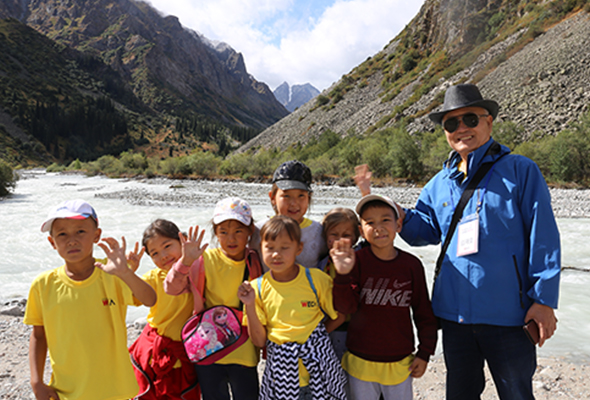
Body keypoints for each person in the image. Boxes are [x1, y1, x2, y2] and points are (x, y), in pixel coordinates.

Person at [355, 83, 561, 400]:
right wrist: (388, 208)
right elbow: (423, 230)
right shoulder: (439, 184)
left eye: (470, 119)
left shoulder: (521, 171)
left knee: (517, 394)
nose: (461, 128)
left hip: (510, 315)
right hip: (455, 317)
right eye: (451, 123)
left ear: (489, 121)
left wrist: (544, 300)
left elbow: (543, 236)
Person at [24, 199, 157, 400]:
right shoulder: (43, 284)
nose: (72, 240)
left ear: (97, 236)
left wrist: (126, 273)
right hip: (65, 391)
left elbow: (150, 299)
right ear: (52, 242)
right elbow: (38, 336)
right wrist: (36, 382)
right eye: (62, 234)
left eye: (80, 231)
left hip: (115, 390)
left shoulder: (113, 272)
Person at [331, 195, 437, 400]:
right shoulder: (356, 260)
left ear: (398, 224)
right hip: (360, 359)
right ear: (361, 231)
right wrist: (342, 274)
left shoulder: (411, 265)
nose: (378, 227)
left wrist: (424, 353)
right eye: (370, 222)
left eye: (385, 220)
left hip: (400, 362)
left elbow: (423, 312)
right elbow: (346, 307)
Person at [238, 216, 347, 400]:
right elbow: (258, 341)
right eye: (270, 248)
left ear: (299, 248)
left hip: (320, 371)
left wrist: (316, 339)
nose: (276, 254)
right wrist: (248, 304)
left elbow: (339, 315)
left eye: (284, 248)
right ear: (260, 248)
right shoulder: (256, 288)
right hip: (281, 375)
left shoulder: (316, 279)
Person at [165, 197, 262, 400]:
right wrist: (185, 261)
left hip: (244, 352)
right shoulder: (204, 260)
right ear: (216, 233)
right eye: (223, 232)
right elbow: (171, 288)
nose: (231, 239)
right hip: (208, 351)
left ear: (250, 231)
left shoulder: (255, 261)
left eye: (238, 231)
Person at [127, 219, 200, 400]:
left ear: (182, 240)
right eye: (155, 253)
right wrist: (129, 273)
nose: (163, 256)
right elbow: (129, 297)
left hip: (185, 352)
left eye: (167, 246)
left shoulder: (198, 269)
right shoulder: (153, 278)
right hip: (155, 349)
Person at [251, 160, 327, 269]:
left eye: (301, 196)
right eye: (286, 196)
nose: (294, 203)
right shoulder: (258, 231)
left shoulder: (318, 233)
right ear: (272, 197)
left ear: (309, 198)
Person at [316, 207, 361, 360]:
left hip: (350, 329)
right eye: (333, 235)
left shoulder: (358, 261)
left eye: (346, 235)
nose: (339, 241)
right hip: (326, 327)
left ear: (356, 238)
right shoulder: (322, 264)